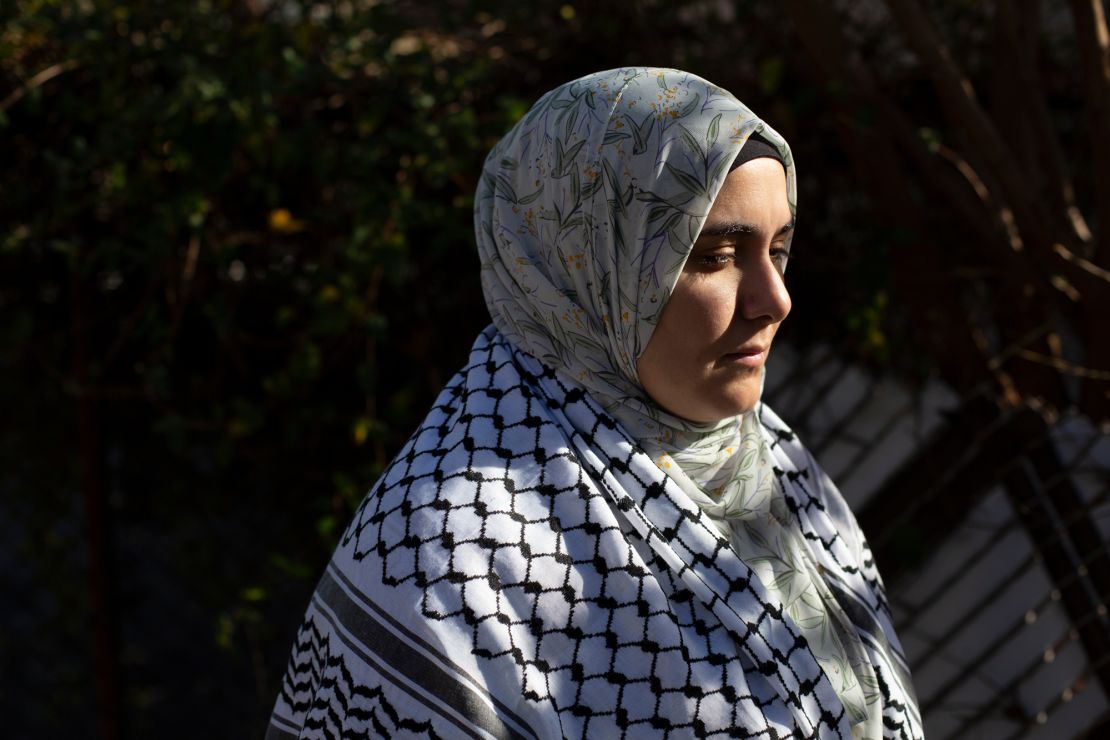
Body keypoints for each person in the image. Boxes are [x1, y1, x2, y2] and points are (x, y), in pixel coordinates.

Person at [267, 67, 922, 739]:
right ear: (582, 264)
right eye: (717, 255)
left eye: (778, 249)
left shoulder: (768, 463)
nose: (775, 299)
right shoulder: (453, 553)